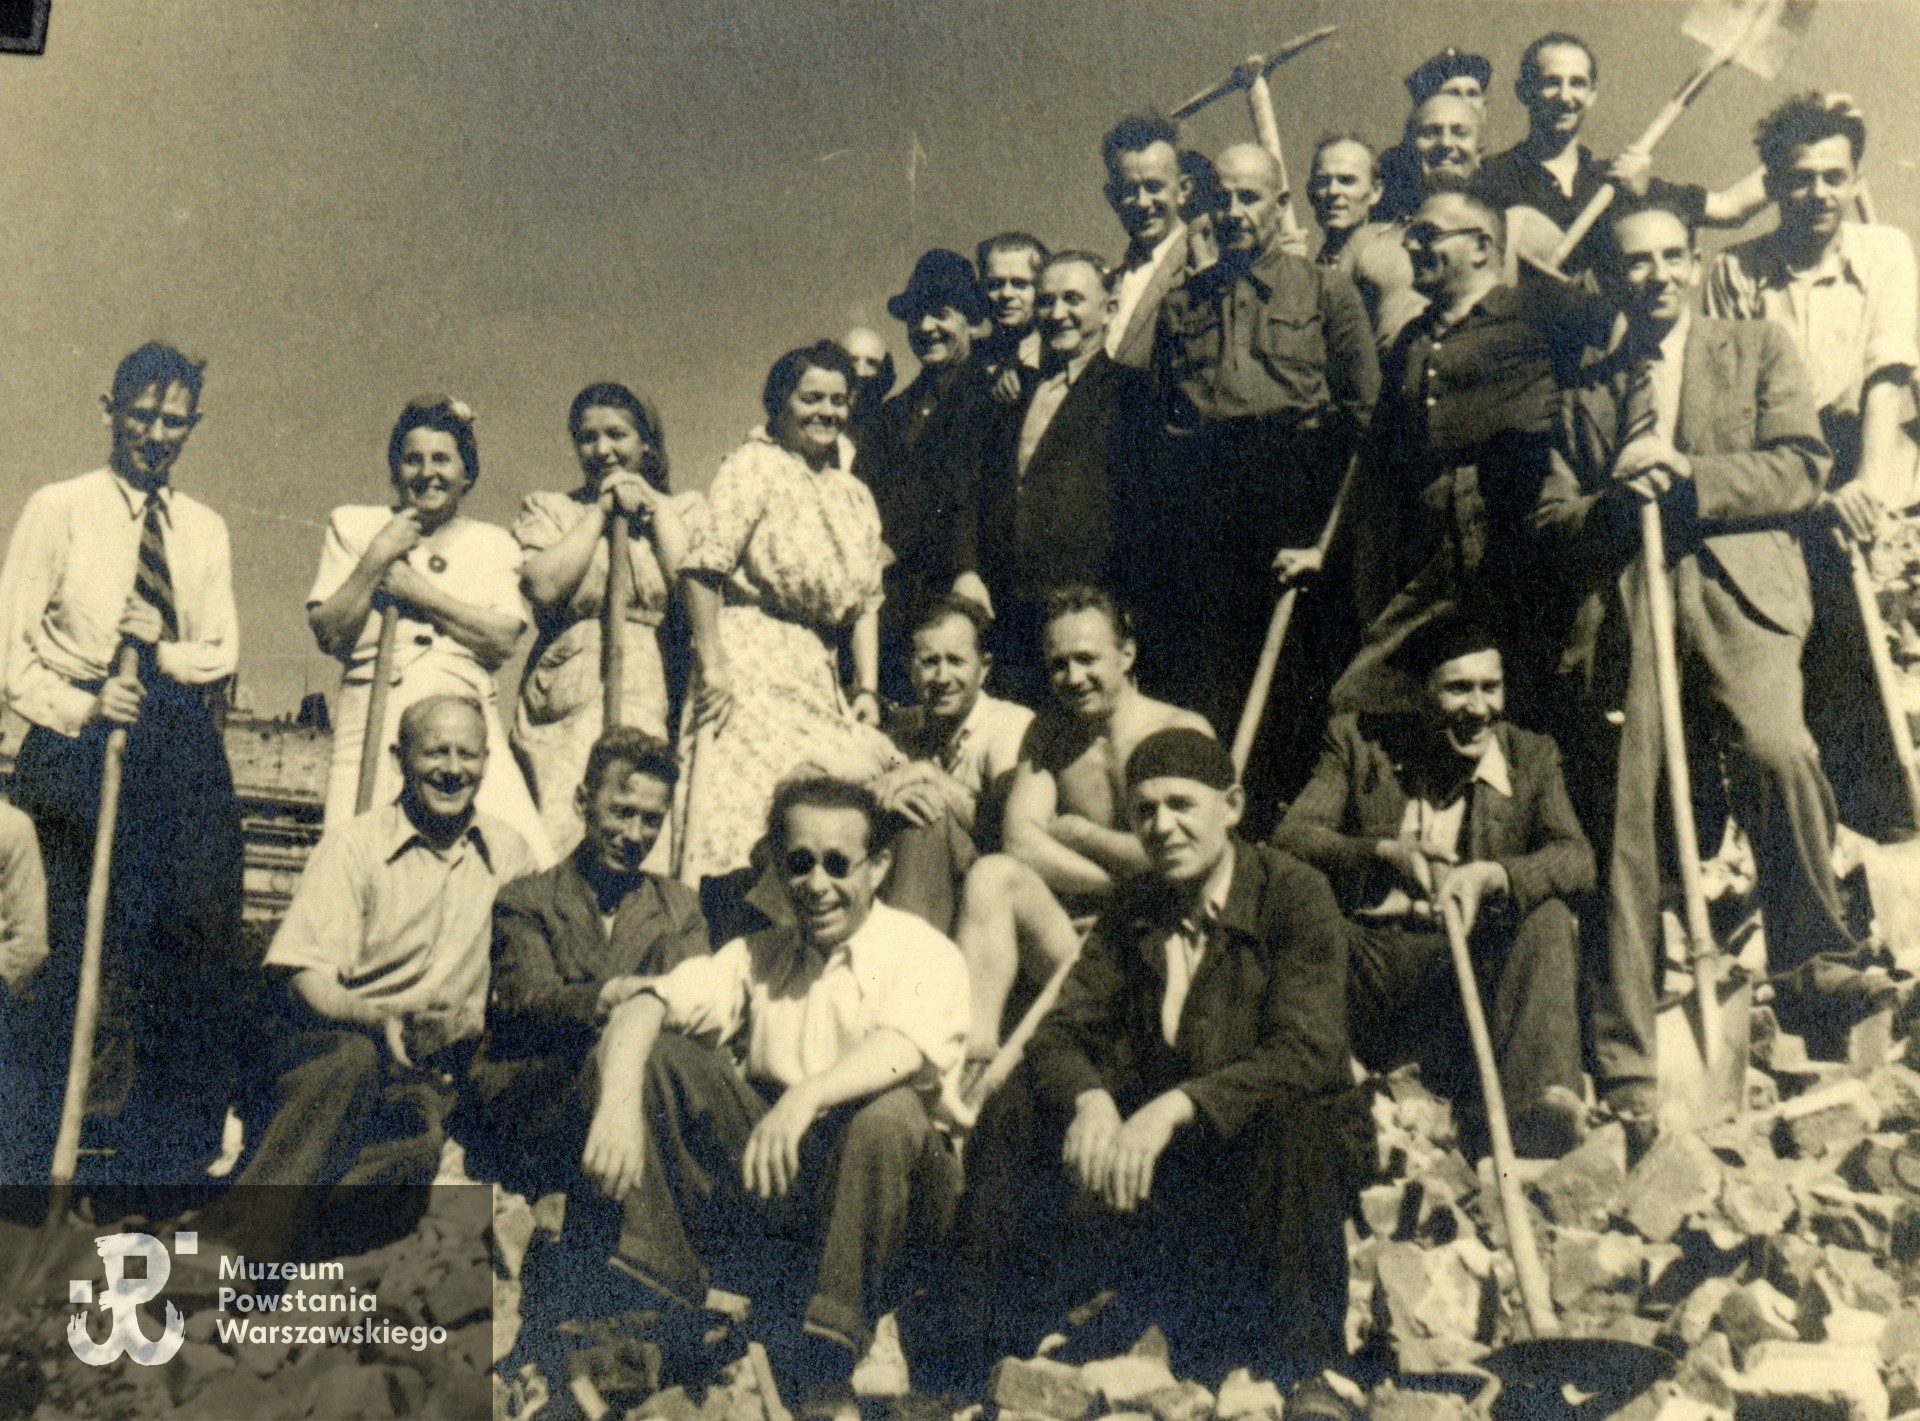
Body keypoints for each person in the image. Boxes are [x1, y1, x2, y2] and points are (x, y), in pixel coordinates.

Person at [907, 729, 1357, 1411]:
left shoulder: (1294, 895)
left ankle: (1310, 1369)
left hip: (1257, 1179)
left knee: (1293, 1113)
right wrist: (1090, 1099)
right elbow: (1060, 1029)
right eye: (1145, 810)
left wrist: (1176, 1105)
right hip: (1158, 1185)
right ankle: (972, 1356)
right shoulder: (1135, 904)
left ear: (1231, 805)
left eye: (1183, 804)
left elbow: (1310, 1051)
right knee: (1021, 1099)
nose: (1163, 826)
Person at [1534, 199, 1860, 1120]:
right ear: (1613, 278)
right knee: (1629, 817)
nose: (1660, 274)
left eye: (1676, 255)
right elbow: (1552, 522)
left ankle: (1816, 967)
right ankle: (1631, 1057)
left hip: (1740, 588)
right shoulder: (1586, 393)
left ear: (1695, 259)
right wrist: (1611, 497)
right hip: (1630, 603)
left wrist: (1690, 475)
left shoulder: (1754, 347)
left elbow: (1802, 466)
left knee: (1776, 749)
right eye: (1638, 262)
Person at [580, 776, 969, 1398]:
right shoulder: (758, 954)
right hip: (789, 1186)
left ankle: (829, 1358)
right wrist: (619, 1108)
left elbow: (904, 1051)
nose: (817, 885)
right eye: (800, 863)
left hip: (899, 1209)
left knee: (887, 1114)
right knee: (660, 1058)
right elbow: (645, 1005)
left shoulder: (923, 952)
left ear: (880, 866)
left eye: (839, 864)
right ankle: (659, 1311)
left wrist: (803, 1098)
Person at [0, 342, 246, 1188]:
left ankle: (158, 1171)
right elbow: (10, 647)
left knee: (190, 943)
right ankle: (32, 1167)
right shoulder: (58, 507)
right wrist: (83, 706)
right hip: (73, 741)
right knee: (67, 952)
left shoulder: (204, 528)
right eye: (141, 413)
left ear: (193, 426)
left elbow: (221, 650)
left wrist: (161, 650)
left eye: (174, 419)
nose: (156, 433)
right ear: (110, 408)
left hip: (172, 740)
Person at [185, 696, 537, 1266]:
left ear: (486, 761)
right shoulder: (354, 846)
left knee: (417, 1145)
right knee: (351, 1064)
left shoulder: (510, 856)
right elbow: (309, 977)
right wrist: (378, 1018)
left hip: (428, 1065)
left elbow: (521, 977)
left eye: (467, 754)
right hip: (327, 1041)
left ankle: (262, 1222)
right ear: (400, 758)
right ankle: (233, 1255)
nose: (452, 768)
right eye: (436, 751)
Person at [1274, 621, 1593, 1159]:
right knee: (1303, 924)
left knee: (1549, 919)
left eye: (1490, 688)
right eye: (1457, 689)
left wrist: (1496, 875)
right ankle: (1322, 1116)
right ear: (1418, 694)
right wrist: (1384, 854)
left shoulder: (1531, 756)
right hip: (1371, 964)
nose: (1478, 709)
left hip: (1469, 968)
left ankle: (1535, 1123)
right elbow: (1291, 839)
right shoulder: (1357, 742)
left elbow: (1577, 858)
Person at [1133, 142, 1378, 798]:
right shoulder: (1181, 306)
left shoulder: (1327, 289)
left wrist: (1327, 535)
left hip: (1297, 493)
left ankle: (1295, 834)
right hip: (1206, 504)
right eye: (1222, 198)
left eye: (1250, 197)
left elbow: (1364, 419)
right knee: (1212, 677)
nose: (1235, 211)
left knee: (1302, 682)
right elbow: (1159, 427)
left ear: (1279, 203)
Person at [1706, 93, 1920, 840]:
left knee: (1882, 647)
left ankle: (1896, 830)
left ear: (1854, 177)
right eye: (1800, 178)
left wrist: (1869, 485)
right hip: (1782, 473)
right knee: (1808, 647)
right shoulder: (1735, 272)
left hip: (1875, 454)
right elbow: (1738, 407)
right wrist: (1810, 493)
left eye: (1834, 176)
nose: (1818, 194)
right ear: (1772, 183)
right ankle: (1823, 840)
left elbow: (1888, 373)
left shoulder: (1886, 250)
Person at [1306, 185, 1562, 719]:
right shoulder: (1411, 339)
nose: (1412, 248)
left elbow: (1631, 343)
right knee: (1363, 695)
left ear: (1481, 246)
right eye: (1409, 238)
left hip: (1517, 536)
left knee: (1533, 697)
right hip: (1432, 547)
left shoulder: (1540, 309)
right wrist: (1323, 550)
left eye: (1428, 236)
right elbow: (1374, 458)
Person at [951, 586, 1211, 1066]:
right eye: (1058, 664)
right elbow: (1020, 843)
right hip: (1073, 942)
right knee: (991, 875)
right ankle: (971, 1060)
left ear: (1127, 654)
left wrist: (1082, 835)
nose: (1073, 677)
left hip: (1160, 949)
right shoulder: (1049, 736)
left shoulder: (1180, 732)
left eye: (1087, 659)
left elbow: (1180, 855)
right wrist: (1121, 880)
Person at [675, 341, 896, 886]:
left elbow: (867, 601)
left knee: (827, 814)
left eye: (839, 400)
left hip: (818, 672)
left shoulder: (854, 494)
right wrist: (715, 666)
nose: (827, 411)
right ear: (778, 404)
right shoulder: (754, 466)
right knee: (749, 820)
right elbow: (703, 570)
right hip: (751, 660)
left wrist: (866, 689)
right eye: (811, 397)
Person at [464, 726, 709, 1201]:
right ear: (582, 801)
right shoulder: (527, 900)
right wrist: (614, 995)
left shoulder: (680, 908)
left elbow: (693, 1003)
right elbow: (531, 1002)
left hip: (639, 1093)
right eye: (621, 812)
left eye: (651, 820)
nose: (634, 835)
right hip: (536, 1097)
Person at [307, 396, 554, 862]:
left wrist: (418, 593)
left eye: (442, 459)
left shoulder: (493, 544)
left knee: (523, 857)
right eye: (412, 459)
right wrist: (377, 557)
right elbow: (330, 632)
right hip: (374, 720)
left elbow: (501, 638)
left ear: (468, 472)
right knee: (350, 860)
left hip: (464, 719)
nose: (427, 473)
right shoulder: (355, 526)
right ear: (396, 469)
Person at [513, 383, 698, 854]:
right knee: (559, 827)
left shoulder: (685, 511)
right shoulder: (551, 509)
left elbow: (695, 590)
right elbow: (543, 587)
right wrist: (599, 513)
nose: (602, 450)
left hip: (651, 681)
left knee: (637, 823)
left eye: (617, 434)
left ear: (646, 442)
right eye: (588, 437)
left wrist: (653, 510)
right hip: (569, 681)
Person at [953, 250, 1141, 700]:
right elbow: (977, 491)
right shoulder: (1015, 392)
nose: (1058, 314)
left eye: (1073, 299)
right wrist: (968, 568)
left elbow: (1142, 516)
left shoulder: (1133, 392)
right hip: (1008, 616)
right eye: (1047, 300)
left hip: (1084, 621)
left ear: (1109, 309)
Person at [1478, 33, 1765, 279]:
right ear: (1524, 91)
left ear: (1592, 94)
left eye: (1577, 83)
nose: (1566, 97)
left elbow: (1730, 208)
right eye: (1552, 82)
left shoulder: (1620, 179)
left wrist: (1794, 151)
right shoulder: (1489, 177)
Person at [862, 252, 999, 695]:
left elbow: (976, 496)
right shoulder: (891, 414)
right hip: (897, 606)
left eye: (941, 314)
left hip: (967, 589)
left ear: (971, 322)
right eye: (916, 317)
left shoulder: (997, 396)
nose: (926, 328)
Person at [880, 596, 1034, 850]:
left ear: (983, 668)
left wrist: (929, 775)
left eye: (955, 661)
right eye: (930, 662)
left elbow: (1010, 832)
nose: (942, 677)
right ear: (910, 669)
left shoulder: (1009, 725)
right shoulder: (903, 732)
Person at [1308, 134, 1425, 350]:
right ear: (1310, 194)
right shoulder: (1307, 271)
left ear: (1375, 192)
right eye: (1323, 181)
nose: (1333, 191)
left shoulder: (1404, 249)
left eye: (1347, 180)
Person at [1102, 112, 1194, 368]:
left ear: (1183, 190)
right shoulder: (1107, 284)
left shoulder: (1204, 264)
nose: (1143, 203)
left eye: (1154, 187)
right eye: (1130, 191)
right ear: (1112, 198)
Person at [1378, 49, 1493, 223]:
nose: (1465, 102)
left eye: (1472, 93)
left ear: (1485, 109)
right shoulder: (1396, 168)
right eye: (1453, 93)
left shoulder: (1501, 171)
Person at [975, 231, 1049, 398]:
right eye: (995, 284)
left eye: (1019, 284)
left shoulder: (1058, 359)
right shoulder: (969, 360)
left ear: (1041, 290)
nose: (1006, 294)